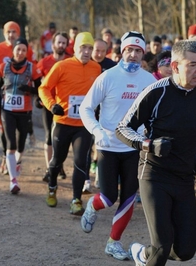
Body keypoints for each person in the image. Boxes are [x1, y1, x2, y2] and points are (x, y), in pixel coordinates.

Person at [116, 40, 196, 266]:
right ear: (176, 66)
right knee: (162, 247)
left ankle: (142, 255)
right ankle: (151, 255)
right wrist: (149, 145)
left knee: (185, 252)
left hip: (184, 178)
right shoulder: (155, 92)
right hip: (154, 175)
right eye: (193, 65)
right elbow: (122, 128)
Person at [79, 30, 156, 261]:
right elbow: (85, 108)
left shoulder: (150, 80)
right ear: (122, 51)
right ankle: (92, 206)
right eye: (129, 50)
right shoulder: (107, 77)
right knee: (108, 197)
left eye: (137, 51)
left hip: (135, 148)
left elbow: (157, 113)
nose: (133, 55)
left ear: (143, 53)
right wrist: (97, 131)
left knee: (130, 197)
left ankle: (114, 242)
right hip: (108, 146)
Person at [38, 32, 101, 215]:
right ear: (75, 48)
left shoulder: (96, 69)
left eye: (90, 48)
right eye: (83, 47)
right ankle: (52, 187)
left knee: (81, 160)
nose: (87, 51)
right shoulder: (61, 66)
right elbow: (43, 88)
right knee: (58, 159)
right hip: (62, 122)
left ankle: (76, 200)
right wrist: (52, 105)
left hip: (83, 124)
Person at [0, 21, 36, 175]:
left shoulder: (27, 49)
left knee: (22, 129)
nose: (11, 35)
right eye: (8, 32)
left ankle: (18, 156)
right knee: (3, 127)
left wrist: (34, 88)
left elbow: (36, 68)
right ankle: (6, 156)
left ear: (19, 34)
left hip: (23, 95)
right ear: (4, 33)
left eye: (14, 32)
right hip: (4, 92)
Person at [0, 37, 42, 194]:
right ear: (13, 51)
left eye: (23, 50)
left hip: (24, 111)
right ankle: (13, 181)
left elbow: (41, 88)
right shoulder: (3, 67)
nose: (20, 52)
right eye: (18, 49)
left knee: (21, 144)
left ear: (26, 51)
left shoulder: (32, 68)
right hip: (7, 110)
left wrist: (29, 90)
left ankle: (18, 162)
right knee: (11, 144)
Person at [36, 32, 70, 182]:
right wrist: (38, 98)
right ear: (53, 44)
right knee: (49, 136)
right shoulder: (43, 63)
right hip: (49, 105)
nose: (61, 45)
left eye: (64, 43)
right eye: (59, 42)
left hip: (65, 106)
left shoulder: (70, 62)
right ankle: (50, 169)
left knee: (62, 138)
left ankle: (59, 164)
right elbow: (37, 83)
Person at [88, 38, 117, 188]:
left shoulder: (112, 67)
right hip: (86, 109)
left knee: (101, 144)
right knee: (86, 145)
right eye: (96, 50)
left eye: (102, 51)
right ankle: (85, 178)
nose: (99, 54)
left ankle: (99, 176)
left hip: (105, 111)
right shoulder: (84, 64)